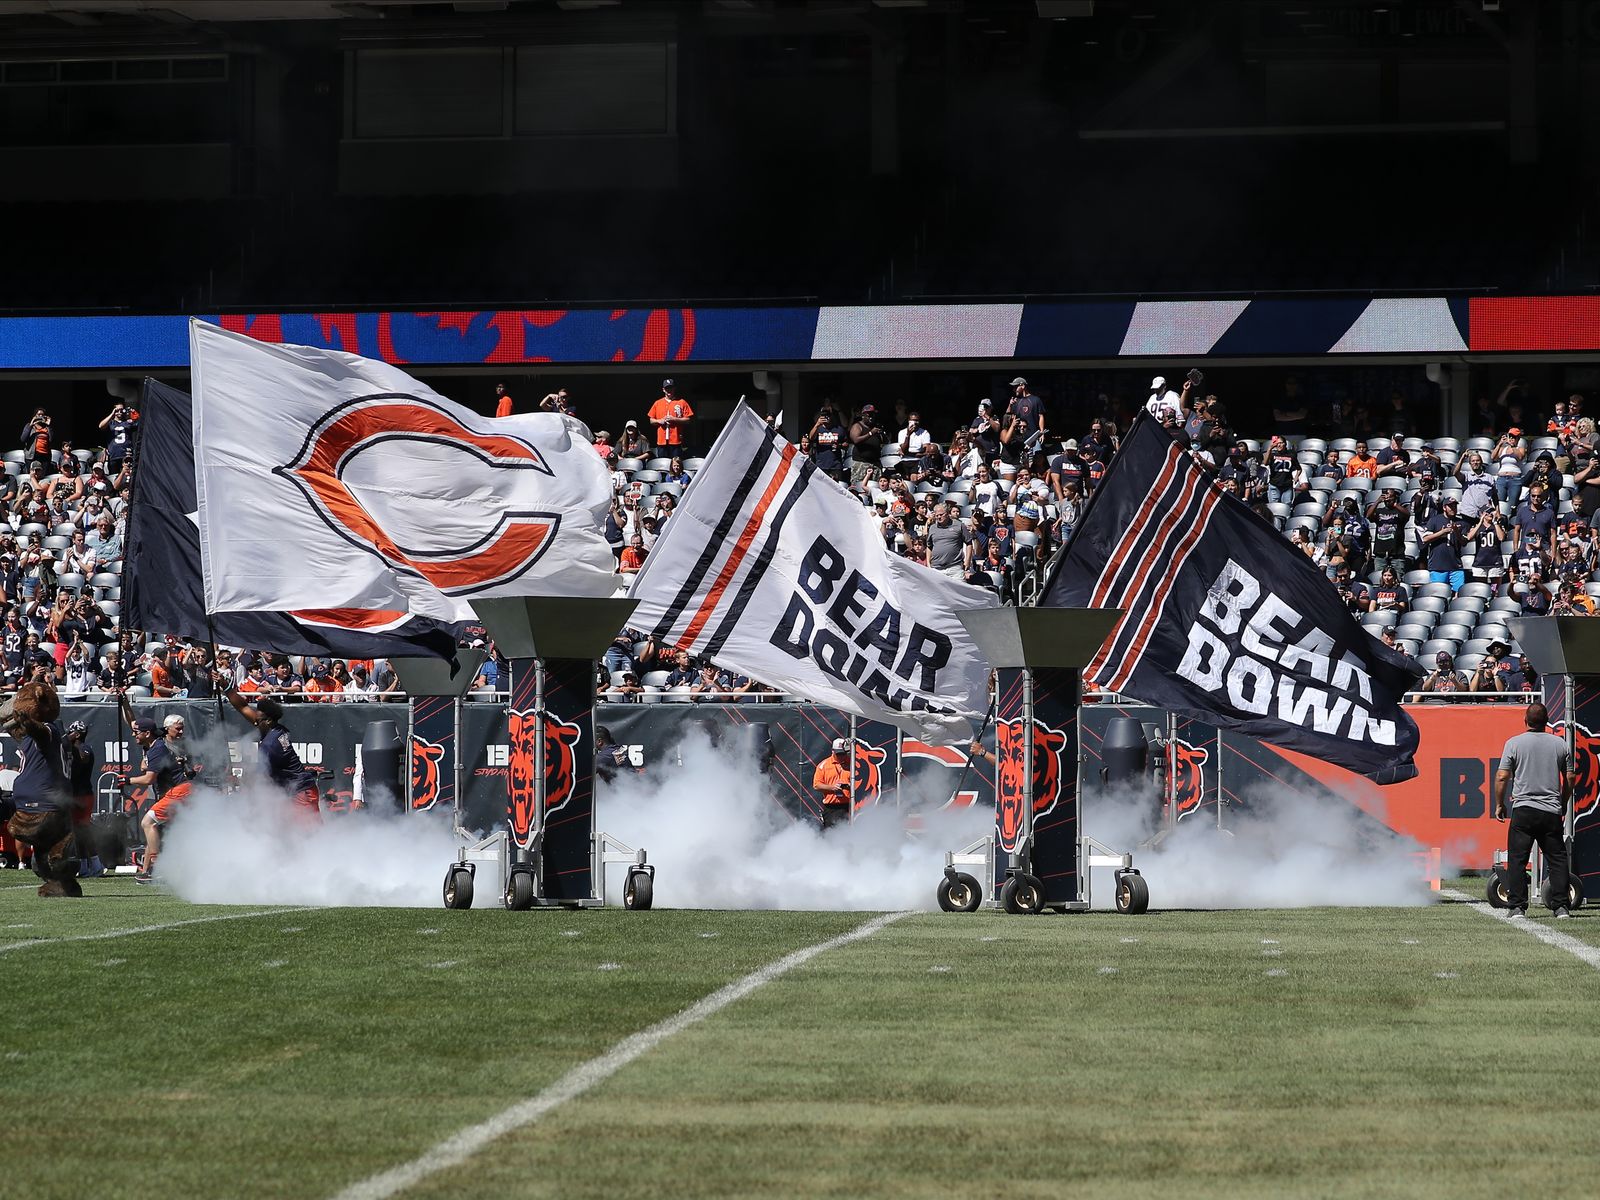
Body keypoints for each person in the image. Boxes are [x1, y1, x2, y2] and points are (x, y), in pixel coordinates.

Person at [0, 680, 80, 897]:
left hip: (42, 805)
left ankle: (65, 861)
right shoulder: (37, 738)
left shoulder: (50, 730)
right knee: (42, 862)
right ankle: (64, 883)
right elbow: (27, 735)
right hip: (47, 802)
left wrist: (27, 721)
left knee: (17, 828)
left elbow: (39, 733)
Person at [1494, 702, 1572, 918]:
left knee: (1518, 859)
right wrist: (1563, 801)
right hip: (1550, 810)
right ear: (1547, 722)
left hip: (1524, 809)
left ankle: (1517, 906)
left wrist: (1500, 804)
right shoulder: (1560, 744)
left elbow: (1502, 776)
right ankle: (1561, 906)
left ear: (1525, 721)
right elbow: (1571, 777)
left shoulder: (1514, 743)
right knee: (1556, 859)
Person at [219, 684, 322, 820]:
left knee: (309, 835)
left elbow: (256, 779)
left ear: (267, 721)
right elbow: (243, 707)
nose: (255, 720)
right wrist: (226, 687)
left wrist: (237, 782)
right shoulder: (276, 728)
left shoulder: (270, 745)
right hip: (294, 792)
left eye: (258, 718)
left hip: (301, 794)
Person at [124, 713, 199, 884]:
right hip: (177, 792)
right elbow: (131, 721)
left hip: (178, 792)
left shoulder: (157, 748)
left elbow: (148, 779)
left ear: (147, 733)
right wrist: (123, 700)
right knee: (155, 829)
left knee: (147, 823)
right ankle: (149, 871)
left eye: (137, 732)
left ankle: (157, 869)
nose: (134, 734)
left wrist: (127, 780)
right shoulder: (155, 745)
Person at [812, 737, 853, 831]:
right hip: (832, 807)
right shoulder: (823, 765)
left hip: (849, 805)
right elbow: (816, 785)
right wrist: (832, 788)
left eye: (843, 754)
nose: (841, 756)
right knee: (831, 835)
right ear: (832, 751)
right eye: (838, 754)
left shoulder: (852, 763)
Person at [648, 379, 693, 454]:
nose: (669, 390)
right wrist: (660, 421)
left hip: (676, 440)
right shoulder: (658, 403)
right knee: (662, 463)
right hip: (662, 441)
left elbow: (688, 419)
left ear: (674, 389)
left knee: (676, 462)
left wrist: (674, 419)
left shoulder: (681, 402)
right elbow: (651, 420)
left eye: (671, 388)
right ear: (663, 390)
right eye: (667, 388)